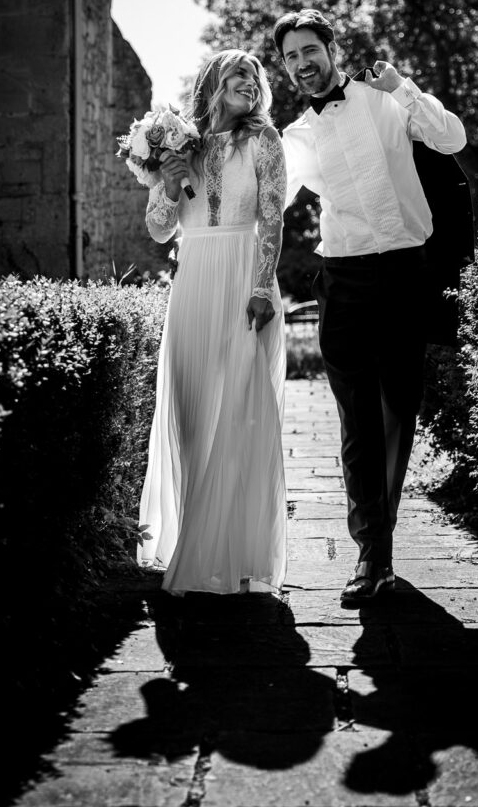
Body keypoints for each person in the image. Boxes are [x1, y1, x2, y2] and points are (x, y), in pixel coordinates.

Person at [275, 8, 467, 608]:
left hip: (405, 272)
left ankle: (376, 544)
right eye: (290, 57)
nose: (302, 64)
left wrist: (403, 88)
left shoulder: (386, 101)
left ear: (331, 48)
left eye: (310, 50)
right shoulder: (297, 138)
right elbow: (260, 200)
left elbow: (451, 137)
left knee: (396, 412)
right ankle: (372, 554)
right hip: (345, 278)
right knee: (356, 421)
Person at [137, 50, 288, 596]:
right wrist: (172, 184)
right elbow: (157, 230)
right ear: (212, 86)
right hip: (195, 279)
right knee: (191, 407)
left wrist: (260, 288)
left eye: (254, 75)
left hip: (245, 279)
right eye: (236, 74)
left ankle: (238, 556)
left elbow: (272, 216)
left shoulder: (264, 141)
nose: (248, 82)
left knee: (241, 413)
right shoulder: (182, 147)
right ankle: (191, 544)